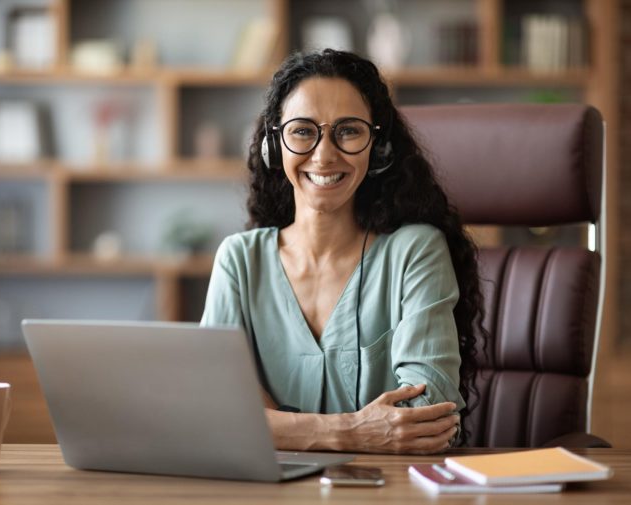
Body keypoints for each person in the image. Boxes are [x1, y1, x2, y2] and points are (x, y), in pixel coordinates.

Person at [201, 49, 484, 454]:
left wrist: (269, 422)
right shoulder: (240, 260)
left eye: (348, 130)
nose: (324, 154)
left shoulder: (414, 252)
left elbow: (428, 418)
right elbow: (212, 414)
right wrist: (351, 430)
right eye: (302, 130)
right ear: (273, 144)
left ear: (378, 146)